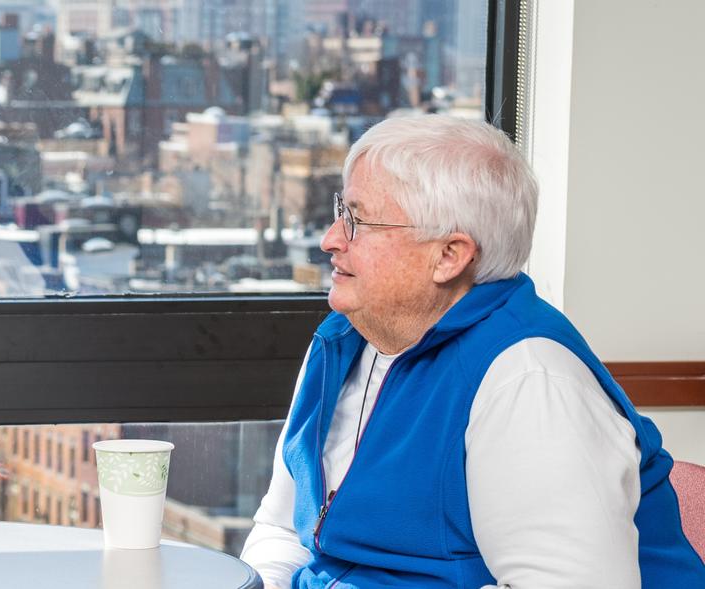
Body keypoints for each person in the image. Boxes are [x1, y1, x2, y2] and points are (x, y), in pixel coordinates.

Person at [237, 114, 705, 588]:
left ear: (449, 256)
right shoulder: (343, 342)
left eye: (358, 219)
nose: (331, 239)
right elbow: (283, 529)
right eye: (341, 210)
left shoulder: (529, 379)